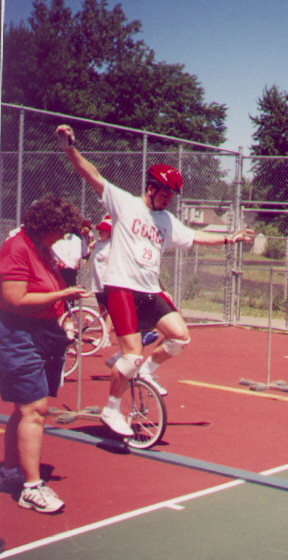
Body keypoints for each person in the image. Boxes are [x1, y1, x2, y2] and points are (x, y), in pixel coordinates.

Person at [56, 124, 254, 438]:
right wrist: (69, 148)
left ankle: (148, 370)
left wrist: (230, 239)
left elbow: (196, 237)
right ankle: (111, 409)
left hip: (151, 290)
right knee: (131, 353)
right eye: (164, 194)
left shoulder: (166, 221)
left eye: (172, 197)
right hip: (122, 288)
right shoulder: (125, 204)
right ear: (150, 188)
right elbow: (91, 174)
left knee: (180, 338)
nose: (168, 200)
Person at [0, 195, 89, 513]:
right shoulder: (17, 249)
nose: (63, 238)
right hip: (18, 333)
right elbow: (13, 300)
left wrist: (62, 315)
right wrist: (62, 293)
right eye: (61, 231)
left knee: (25, 409)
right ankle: (31, 488)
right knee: (34, 409)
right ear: (45, 227)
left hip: (42, 332)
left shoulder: (42, 248)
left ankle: (9, 471)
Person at [89, 215, 114, 348]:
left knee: (109, 309)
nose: (100, 231)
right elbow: (90, 245)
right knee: (102, 308)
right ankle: (103, 334)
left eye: (104, 230)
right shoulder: (98, 243)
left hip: (108, 282)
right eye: (99, 229)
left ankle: (107, 337)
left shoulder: (113, 244)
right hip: (98, 282)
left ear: (110, 232)